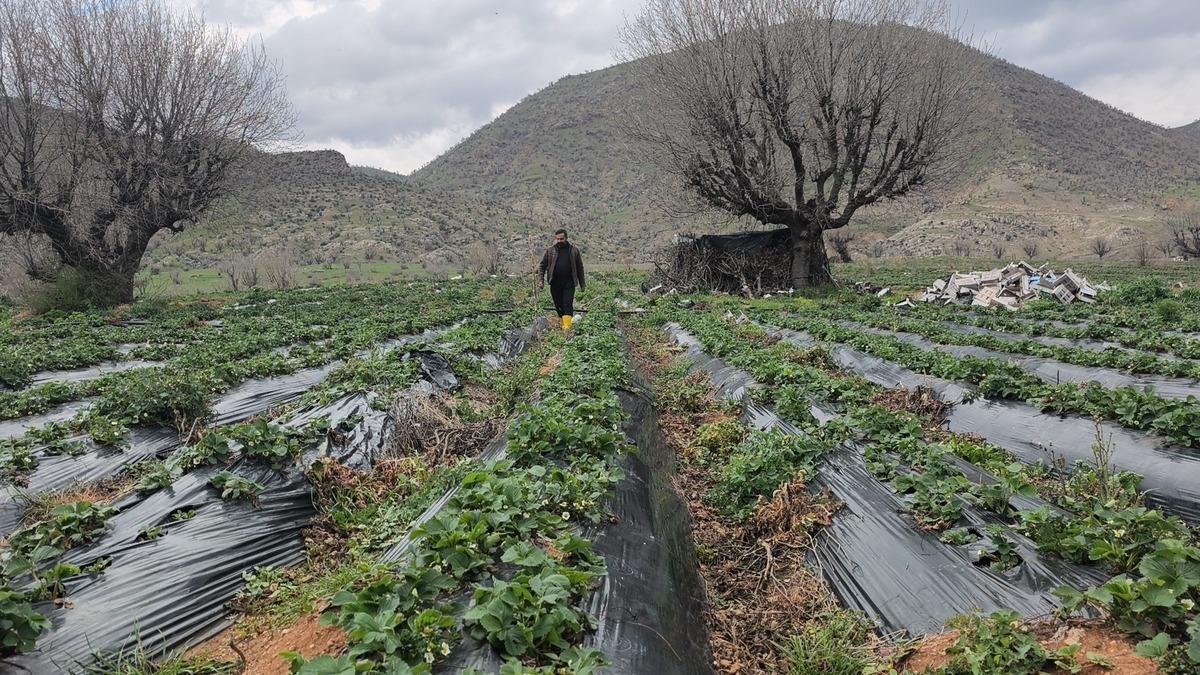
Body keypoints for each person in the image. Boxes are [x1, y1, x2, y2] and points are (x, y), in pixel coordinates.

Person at [537, 228, 585, 330]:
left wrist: (582, 284)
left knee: (567, 304)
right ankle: (562, 323)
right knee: (558, 305)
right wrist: (541, 280)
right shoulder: (550, 251)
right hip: (555, 283)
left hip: (569, 283)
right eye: (557, 239)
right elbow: (542, 266)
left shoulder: (574, 251)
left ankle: (567, 328)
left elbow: (580, 268)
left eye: (561, 239)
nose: (559, 241)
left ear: (566, 238)